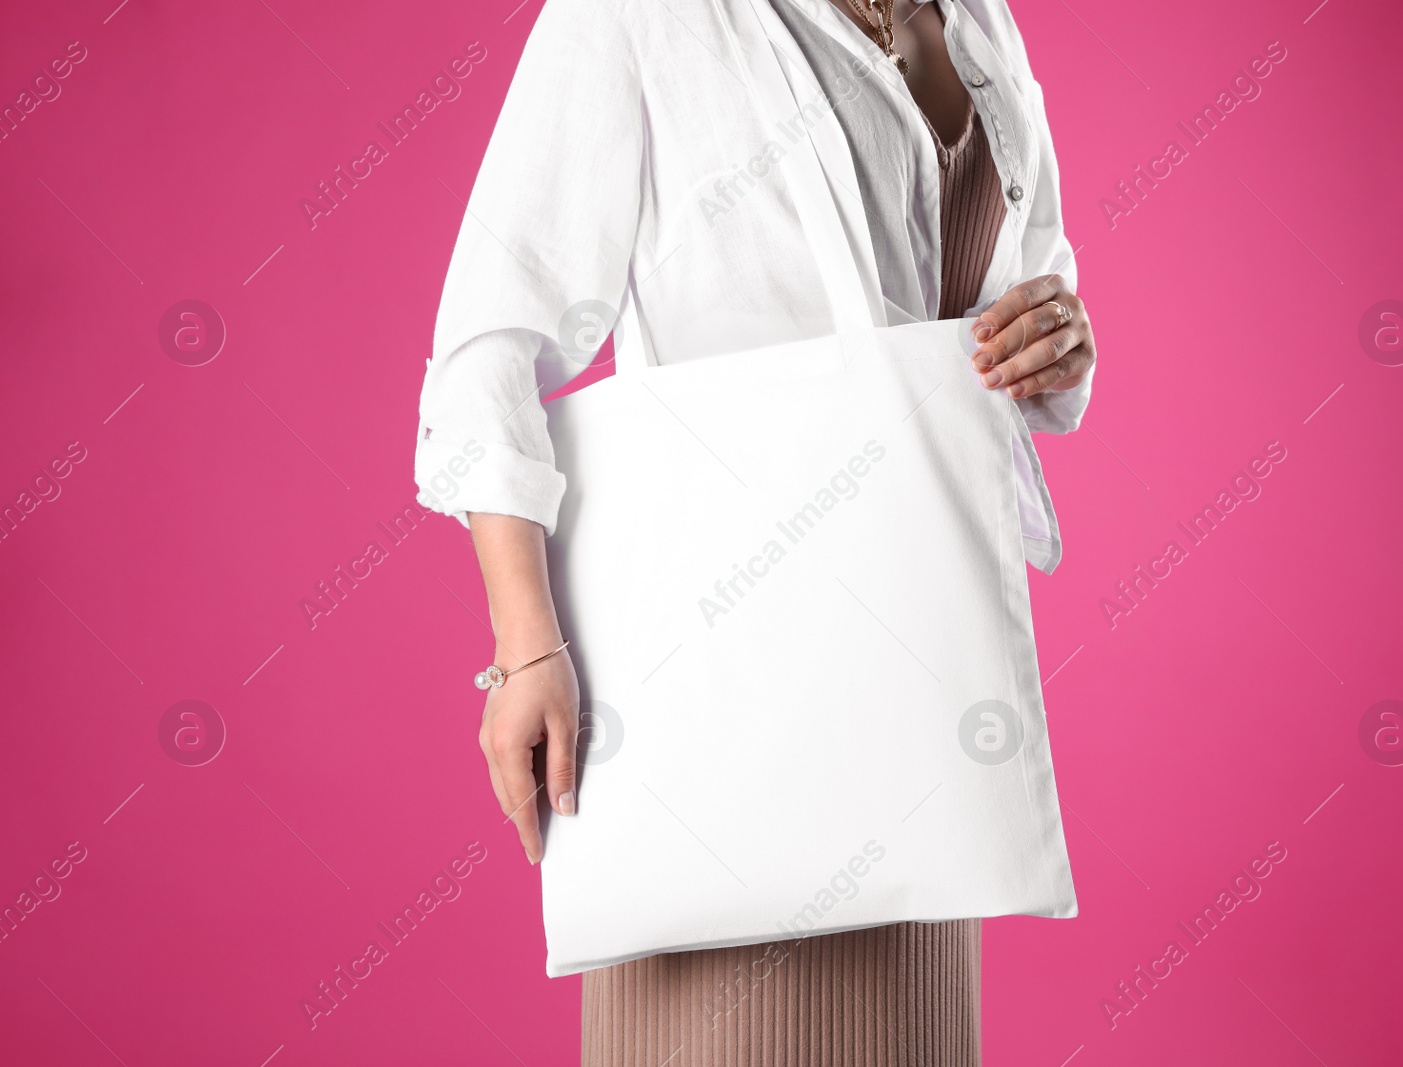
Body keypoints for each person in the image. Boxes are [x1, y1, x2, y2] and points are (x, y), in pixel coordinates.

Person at [413, 0, 1098, 1060]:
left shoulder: (978, 19)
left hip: (918, 704)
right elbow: (487, 346)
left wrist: (1054, 334)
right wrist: (523, 646)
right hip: (727, 700)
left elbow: (1006, 307)